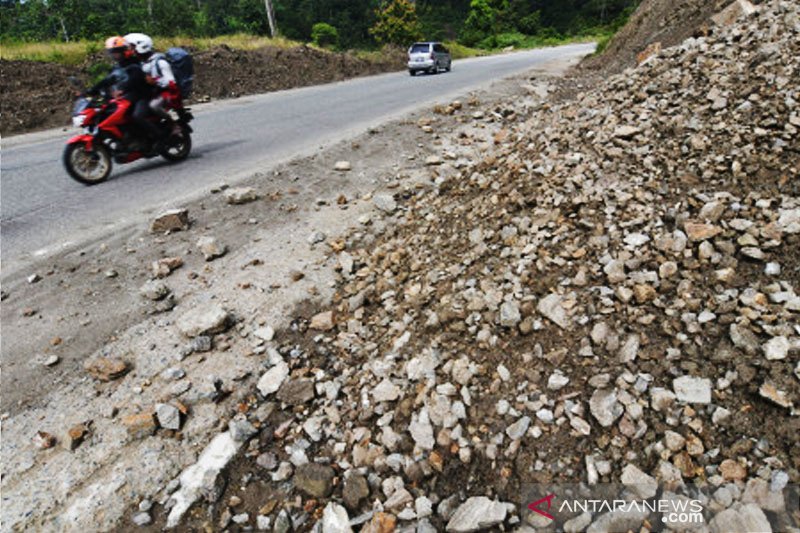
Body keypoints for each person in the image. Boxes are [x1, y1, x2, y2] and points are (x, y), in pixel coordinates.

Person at [86, 36, 153, 141]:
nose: (114, 55)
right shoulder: (118, 67)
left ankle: (158, 137)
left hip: (141, 96)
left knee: (137, 116)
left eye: (116, 52)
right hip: (126, 98)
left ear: (124, 51)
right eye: (112, 52)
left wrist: (122, 89)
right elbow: (107, 80)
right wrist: (91, 90)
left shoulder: (134, 64)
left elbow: (134, 80)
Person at [124, 33, 182, 138]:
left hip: (167, 92)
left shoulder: (160, 62)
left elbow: (171, 82)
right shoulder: (142, 63)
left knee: (153, 106)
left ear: (142, 46)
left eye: (132, 47)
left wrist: (155, 81)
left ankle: (174, 124)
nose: (131, 50)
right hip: (153, 92)